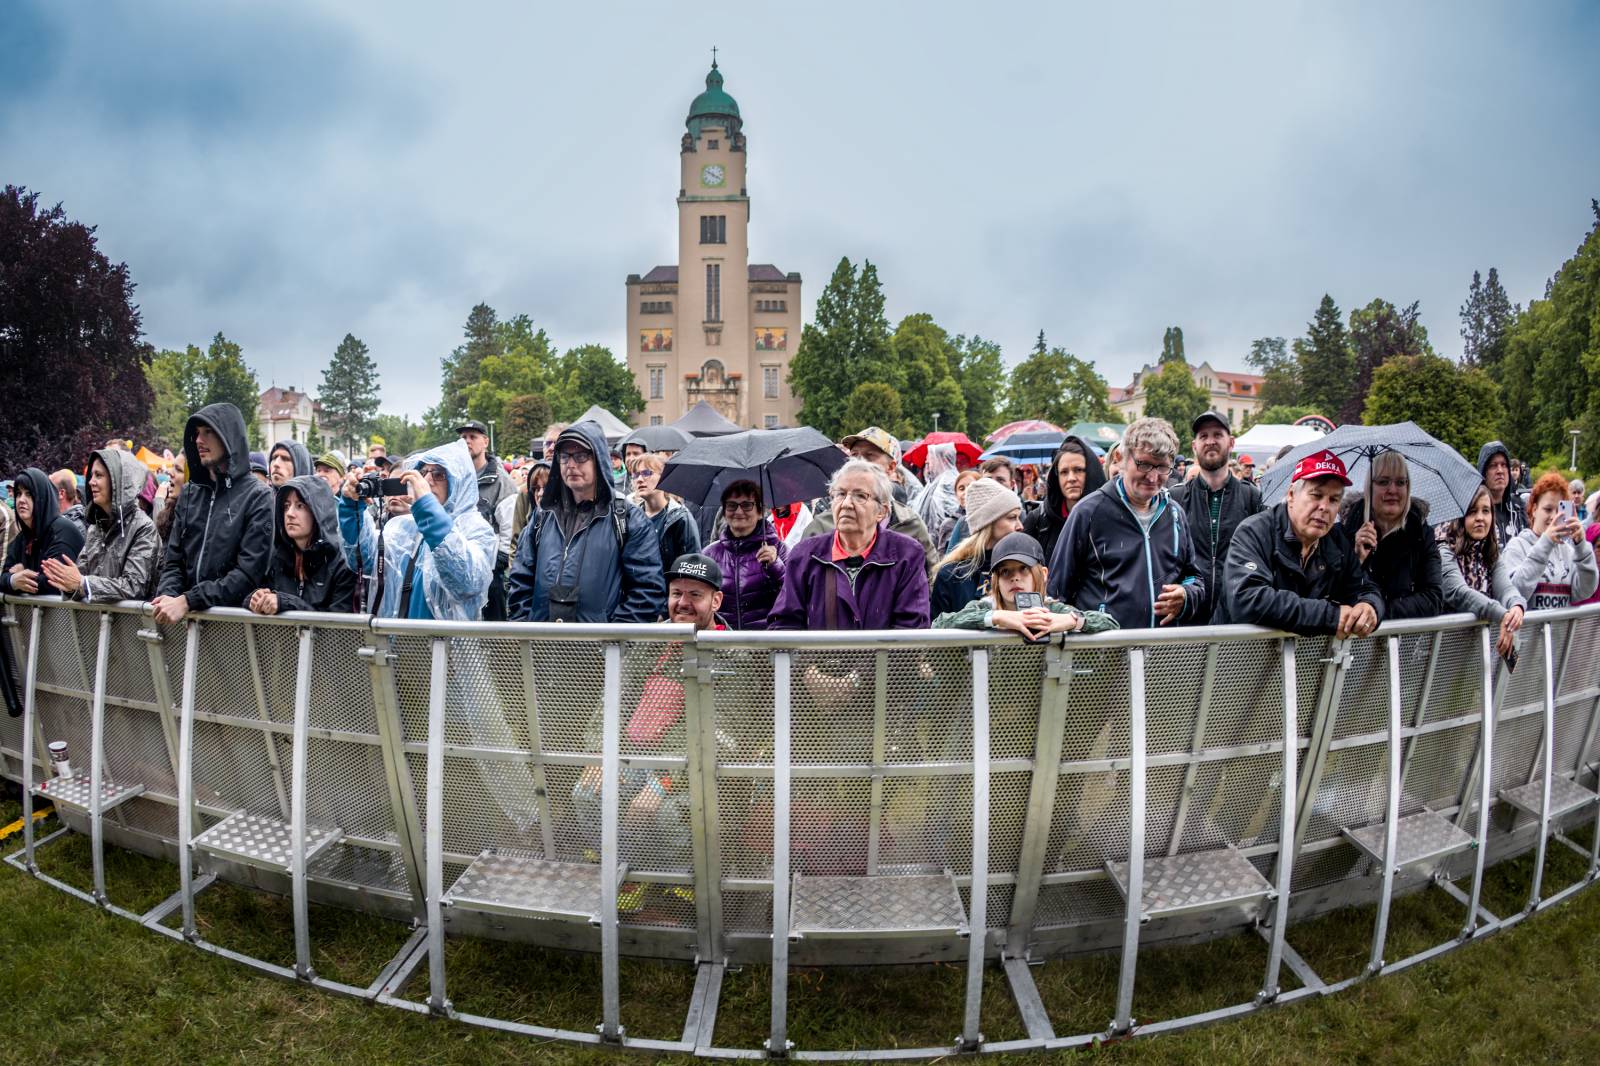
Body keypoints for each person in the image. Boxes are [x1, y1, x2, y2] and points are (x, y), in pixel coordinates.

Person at [1047, 417, 1206, 630]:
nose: (1152, 477)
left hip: (1162, 655)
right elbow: (1056, 596)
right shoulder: (1088, 513)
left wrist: (1187, 595)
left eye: (1162, 467)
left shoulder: (1175, 514)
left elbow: (1193, 577)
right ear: (1121, 458)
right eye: (1144, 464)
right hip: (1105, 655)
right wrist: (1085, 624)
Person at [506, 421, 665, 623]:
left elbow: (647, 591)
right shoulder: (543, 516)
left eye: (581, 456)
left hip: (601, 650)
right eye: (564, 456)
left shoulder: (628, 520)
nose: (571, 464)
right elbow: (520, 581)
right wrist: (527, 629)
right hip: (543, 647)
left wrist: (611, 641)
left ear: (598, 459)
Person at [1217, 449, 1384, 637]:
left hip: (1301, 660)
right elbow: (1247, 600)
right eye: (1316, 495)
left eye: (1334, 499)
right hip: (1235, 657)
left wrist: (1370, 606)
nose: (1324, 507)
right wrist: (1329, 616)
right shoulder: (1253, 532)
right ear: (1291, 495)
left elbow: (1364, 586)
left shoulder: (1337, 541)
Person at [340, 439, 496, 619]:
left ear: (458, 480)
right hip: (393, 643)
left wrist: (428, 511)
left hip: (443, 645)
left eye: (438, 474)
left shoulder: (476, 528)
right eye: (423, 473)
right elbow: (364, 562)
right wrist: (351, 507)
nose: (428, 480)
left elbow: (467, 583)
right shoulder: (403, 527)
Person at [769, 460, 930, 630]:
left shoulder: (906, 555)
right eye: (840, 494)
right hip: (819, 656)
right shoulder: (805, 555)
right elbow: (784, 624)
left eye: (860, 496)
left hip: (884, 657)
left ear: (881, 511)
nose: (846, 504)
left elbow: (912, 629)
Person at [151, 404, 275, 624]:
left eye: (208, 432)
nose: (198, 440)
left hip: (236, 629)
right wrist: (168, 597)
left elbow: (247, 575)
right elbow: (173, 562)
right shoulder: (189, 493)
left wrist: (188, 601)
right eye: (197, 433)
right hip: (186, 625)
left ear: (228, 436)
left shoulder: (258, 497)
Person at [794, 427, 938, 575]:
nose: (859, 463)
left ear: (891, 467)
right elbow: (801, 582)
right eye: (854, 455)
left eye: (870, 456)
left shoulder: (909, 524)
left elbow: (931, 578)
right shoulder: (823, 526)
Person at [1170, 413, 1264, 623]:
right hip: (1187, 617)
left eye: (1217, 435)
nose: (1210, 441)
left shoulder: (1251, 496)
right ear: (1195, 446)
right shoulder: (1176, 498)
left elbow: (1262, 556)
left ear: (1231, 443)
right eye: (1204, 436)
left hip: (1236, 617)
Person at [934, 532, 1119, 638]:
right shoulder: (984, 607)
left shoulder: (1050, 609)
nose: (1015, 578)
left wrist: (1071, 620)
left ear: (1043, 574)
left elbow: (1111, 624)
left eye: (1023, 569)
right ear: (994, 580)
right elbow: (939, 624)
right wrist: (996, 617)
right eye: (1005, 572)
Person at [41, 448, 161, 603]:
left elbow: (135, 586)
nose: (91, 482)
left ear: (118, 482)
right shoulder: (95, 528)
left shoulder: (143, 528)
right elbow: (79, 579)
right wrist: (66, 581)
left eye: (99, 475)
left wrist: (84, 584)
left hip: (131, 626)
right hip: (95, 624)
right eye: (91, 475)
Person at [1341, 451, 1443, 620]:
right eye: (1383, 482)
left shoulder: (1421, 534)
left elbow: (1433, 599)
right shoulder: (1344, 532)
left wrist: (1377, 612)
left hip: (1406, 641)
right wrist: (1356, 559)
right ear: (1369, 487)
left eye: (1400, 482)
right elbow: (1336, 595)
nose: (1392, 490)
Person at [1436, 484, 1525, 657]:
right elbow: (1459, 593)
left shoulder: (1491, 553)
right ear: (1460, 516)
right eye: (1472, 511)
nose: (1480, 518)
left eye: (1486, 511)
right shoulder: (1444, 550)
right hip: (1441, 651)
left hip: (1475, 653)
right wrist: (1502, 615)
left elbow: (1505, 588)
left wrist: (1516, 606)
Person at [248, 475, 358, 614]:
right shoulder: (276, 558)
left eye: (300, 506)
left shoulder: (342, 565)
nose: (290, 514)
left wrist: (285, 603)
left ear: (318, 511)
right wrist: (255, 598)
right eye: (286, 506)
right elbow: (246, 596)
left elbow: (336, 626)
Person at [1501, 471, 1598, 610]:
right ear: (1534, 509)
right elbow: (1514, 592)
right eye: (1548, 509)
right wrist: (1546, 543)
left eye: (1559, 511)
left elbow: (1586, 591)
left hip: (1561, 631)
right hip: (1528, 631)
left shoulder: (1569, 551)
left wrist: (1581, 545)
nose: (1553, 516)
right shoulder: (1517, 546)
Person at [930, 479, 1023, 617]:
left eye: (1018, 517)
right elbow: (938, 627)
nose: (1020, 526)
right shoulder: (951, 574)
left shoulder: (1025, 566)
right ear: (989, 522)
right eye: (1012, 517)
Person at [703, 481, 788, 630]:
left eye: (747, 505)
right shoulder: (709, 554)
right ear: (724, 512)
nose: (739, 511)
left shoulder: (779, 549)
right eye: (731, 505)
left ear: (760, 511)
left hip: (766, 643)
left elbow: (793, 595)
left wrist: (775, 566)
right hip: (723, 645)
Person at [456, 420, 516, 621]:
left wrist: (498, 560)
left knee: (493, 630)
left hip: (490, 571)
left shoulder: (500, 479)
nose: (467, 441)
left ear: (485, 441)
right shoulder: (455, 477)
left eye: (472, 437)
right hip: (459, 564)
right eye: (463, 437)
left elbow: (510, 524)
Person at [1021, 436, 1107, 565]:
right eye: (1064, 472)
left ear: (1091, 472)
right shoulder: (1038, 521)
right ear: (1056, 476)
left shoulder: (1109, 518)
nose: (1071, 478)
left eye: (1078, 470)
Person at [2, 468, 86, 596]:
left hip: (65, 614)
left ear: (42, 497)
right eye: (18, 494)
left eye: (29, 494)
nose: (21, 500)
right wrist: (13, 580)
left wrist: (24, 574)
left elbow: (53, 581)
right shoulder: (23, 538)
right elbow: (3, 574)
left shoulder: (63, 531)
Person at [628, 453, 702, 574]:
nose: (640, 479)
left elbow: (692, 565)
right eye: (636, 475)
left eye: (647, 473)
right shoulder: (631, 518)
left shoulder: (680, 518)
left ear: (664, 477)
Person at [1477, 442, 1527, 547]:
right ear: (1483, 472)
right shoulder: (1476, 513)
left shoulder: (1519, 508)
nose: (1500, 471)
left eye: (1504, 465)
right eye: (1493, 465)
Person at [932, 468, 981, 552]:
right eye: (961, 489)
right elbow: (943, 558)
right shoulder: (949, 524)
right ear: (956, 494)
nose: (966, 492)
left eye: (971, 486)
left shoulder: (989, 519)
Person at [50, 469, 88, 537]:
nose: (45, 492)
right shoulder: (59, 521)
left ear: (61, 493)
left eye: (49, 488)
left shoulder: (73, 527)